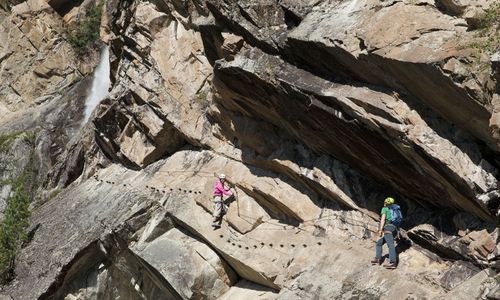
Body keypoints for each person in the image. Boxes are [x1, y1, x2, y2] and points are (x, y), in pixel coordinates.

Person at [371, 197, 398, 269]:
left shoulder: (385, 209)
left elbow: (382, 219)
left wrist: (380, 230)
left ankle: (393, 262)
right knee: (379, 243)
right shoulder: (395, 210)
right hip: (395, 229)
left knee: (390, 244)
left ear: (386, 202)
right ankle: (377, 258)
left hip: (388, 227)